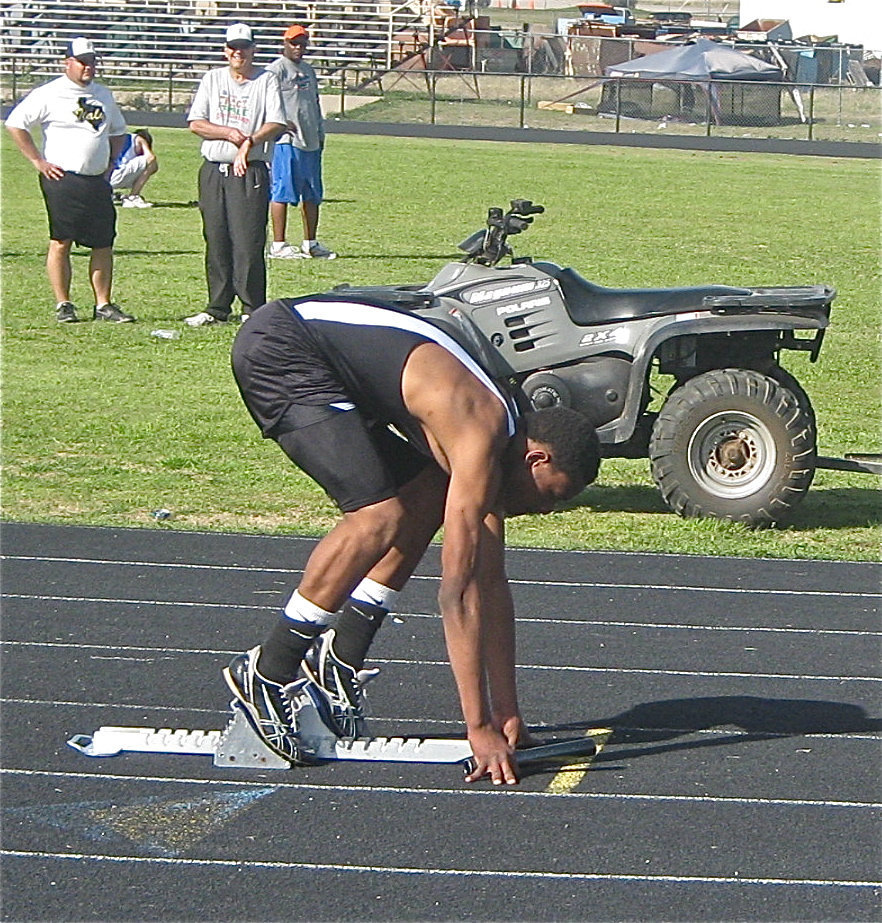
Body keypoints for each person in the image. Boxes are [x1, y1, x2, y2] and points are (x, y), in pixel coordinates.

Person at [227, 295, 601, 785]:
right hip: (284, 347)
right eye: (553, 496)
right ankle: (268, 670)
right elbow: (457, 592)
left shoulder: (498, 444)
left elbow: (490, 583)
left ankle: (341, 654)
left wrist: (508, 716)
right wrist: (479, 728)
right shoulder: (480, 435)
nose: (547, 510)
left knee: (427, 493)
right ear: (536, 461)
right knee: (377, 516)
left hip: (337, 366)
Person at [5, 37, 136, 323]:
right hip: (63, 177)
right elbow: (16, 123)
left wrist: (111, 162)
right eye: (82, 62)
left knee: (103, 242)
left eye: (92, 61)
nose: (88, 67)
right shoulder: (50, 93)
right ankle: (63, 303)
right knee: (61, 241)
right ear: (68, 63)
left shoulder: (103, 94)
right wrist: (38, 161)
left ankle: (103, 304)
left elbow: (118, 131)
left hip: (96, 180)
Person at [184, 23, 286, 327]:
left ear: (253, 49)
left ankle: (252, 307)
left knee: (247, 240)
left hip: (250, 170)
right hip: (215, 169)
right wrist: (229, 134)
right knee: (216, 238)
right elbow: (196, 123)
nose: (237, 53)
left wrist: (249, 142)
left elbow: (277, 122)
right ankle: (217, 306)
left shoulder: (266, 80)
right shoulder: (213, 79)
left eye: (243, 47)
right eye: (232, 47)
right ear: (225, 49)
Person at [266, 25, 336, 261]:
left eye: (302, 43)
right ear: (284, 43)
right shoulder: (275, 70)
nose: (298, 48)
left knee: (313, 193)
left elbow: (314, 104)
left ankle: (311, 242)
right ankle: (278, 244)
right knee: (282, 191)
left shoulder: (308, 71)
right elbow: (267, 103)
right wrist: (280, 124)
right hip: (287, 141)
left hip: (310, 140)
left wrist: (320, 132)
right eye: (294, 43)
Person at [110, 129, 158, 208]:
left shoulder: (119, 139)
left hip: (106, 178)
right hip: (118, 175)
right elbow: (151, 158)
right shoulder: (139, 139)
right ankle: (133, 196)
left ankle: (110, 194)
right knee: (152, 164)